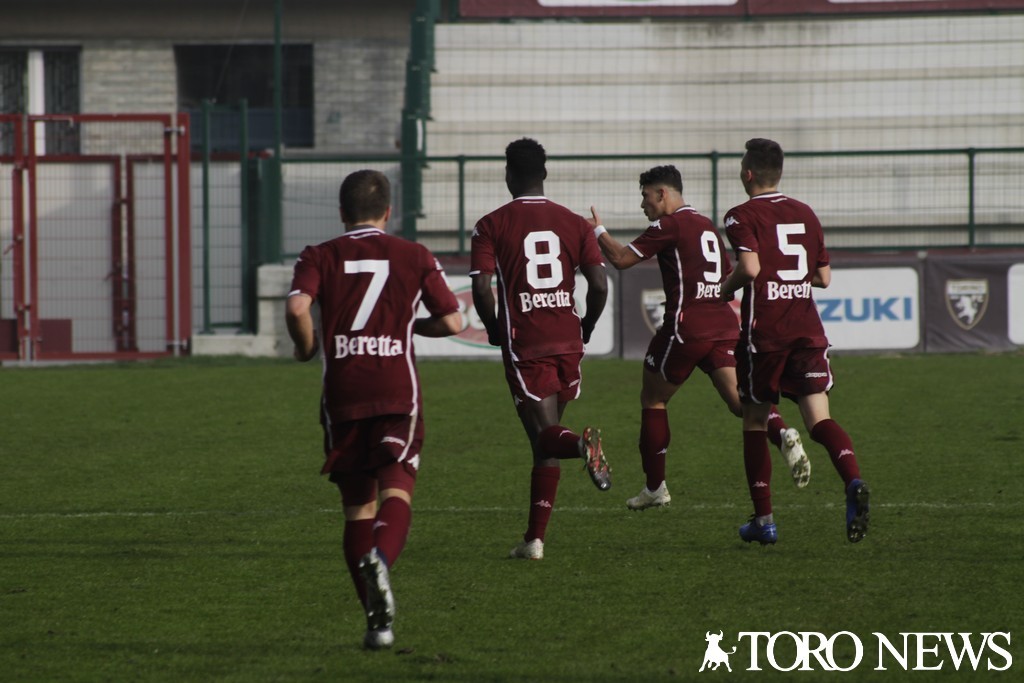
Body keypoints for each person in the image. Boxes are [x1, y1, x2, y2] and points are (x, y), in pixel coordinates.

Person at [285, 169, 462, 650]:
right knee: (396, 490)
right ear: (388, 212)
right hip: (395, 389)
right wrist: (408, 327)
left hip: (342, 392)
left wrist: (306, 349)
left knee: (356, 509)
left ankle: (378, 625)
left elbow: (298, 309)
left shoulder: (318, 255)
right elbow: (453, 320)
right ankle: (381, 560)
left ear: (342, 213)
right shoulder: (414, 254)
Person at [587, 165, 810, 511]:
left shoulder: (668, 224)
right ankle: (781, 432)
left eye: (645, 197)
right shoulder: (706, 225)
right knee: (741, 403)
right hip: (723, 326)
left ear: (662, 194)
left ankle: (655, 488)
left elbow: (620, 259)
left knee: (653, 399)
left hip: (686, 327)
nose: (643, 205)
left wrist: (597, 230)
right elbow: (727, 277)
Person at [719, 138, 870, 545]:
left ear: (748, 174)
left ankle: (764, 520)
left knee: (754, 420)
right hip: (807, 330)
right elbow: (823, 278)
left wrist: (724, 289)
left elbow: (749, 268)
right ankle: (853, 481)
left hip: (766, 335)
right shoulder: (806, 213)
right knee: (819, 420)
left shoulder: (739, 215)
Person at [470, 137, 611, 561]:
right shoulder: (575, 224)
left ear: (508, 175)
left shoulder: (491, 225)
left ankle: (583, 447)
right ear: (544, 174)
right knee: (545, 440)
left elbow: (482, 287)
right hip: (568, 339)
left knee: (546, 436)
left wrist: (493, 328)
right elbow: (599, 285)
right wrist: (587, 325)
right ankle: (534, 540)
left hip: (526, 341)